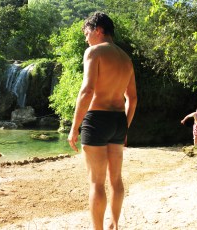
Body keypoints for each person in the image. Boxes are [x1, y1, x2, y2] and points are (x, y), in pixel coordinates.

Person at [66, 12, 137, 230]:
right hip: (118, 120)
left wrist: (74, 127)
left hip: (97, 119)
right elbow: (132, 98)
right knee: (115, 179)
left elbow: (87, 91)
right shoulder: (126, 59)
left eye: (87, 33)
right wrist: (125, 127)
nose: (86, 39)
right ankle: (114, 225)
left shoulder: (94, 52)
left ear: (98, 30)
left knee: (96, 183)